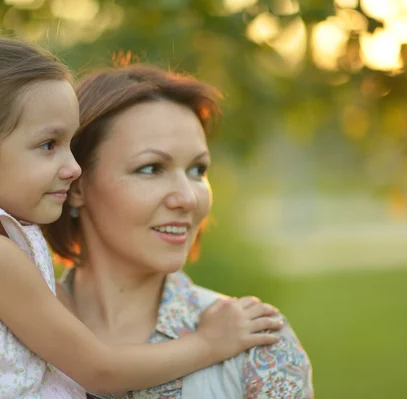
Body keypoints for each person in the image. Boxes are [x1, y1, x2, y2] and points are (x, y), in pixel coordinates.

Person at [0, 36, 285, 398]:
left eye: (71, 145)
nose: (73, 167)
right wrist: (211, 342)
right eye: (49, 145)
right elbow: (101, 371)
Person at [45, 65, 314, 399]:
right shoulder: (7, 337)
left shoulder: (257, 348)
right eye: (151, 168)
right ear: (76, 186)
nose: (188, 198)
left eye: (197, 170)